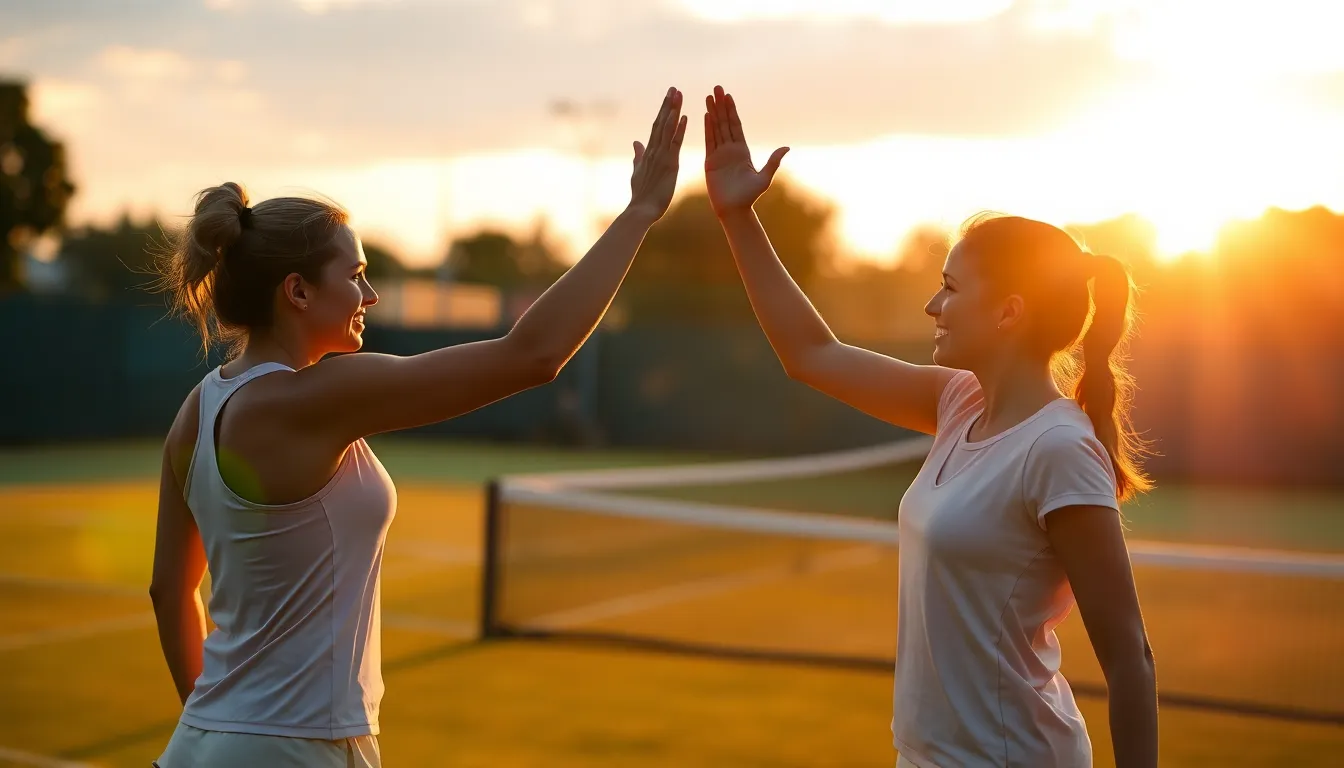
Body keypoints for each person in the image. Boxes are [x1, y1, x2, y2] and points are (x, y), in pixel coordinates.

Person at [148, 87, 688, 767]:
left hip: (197, 745)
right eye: (358, 276)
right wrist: (639, 213)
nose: (370, 297)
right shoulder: (321, 396)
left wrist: (223, 727)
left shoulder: (197, 409)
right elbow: (532, 356)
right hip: (300, 749)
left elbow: (170, 592)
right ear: (299, 292)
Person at [700, 86, 1158, 767]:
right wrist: (737, 217)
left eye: (950, 287)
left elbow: (1129, 656)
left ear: (1009, 312)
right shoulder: (959, 404)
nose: (931, 304)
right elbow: (811, 355)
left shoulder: (1059, 449)